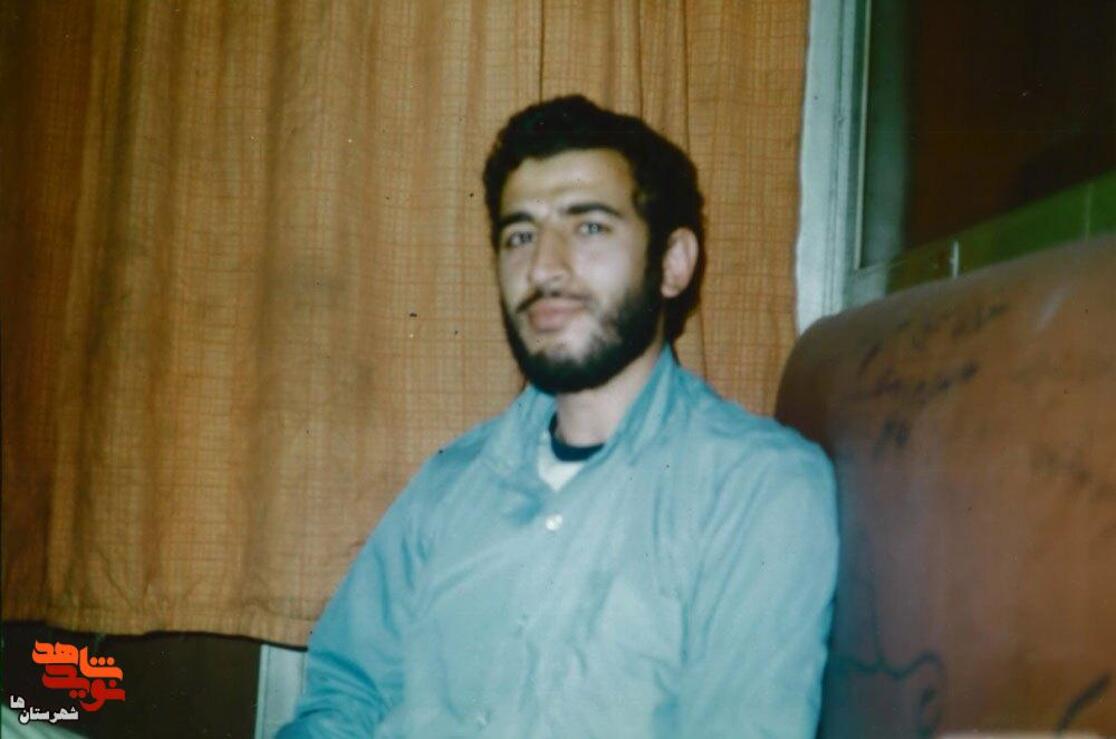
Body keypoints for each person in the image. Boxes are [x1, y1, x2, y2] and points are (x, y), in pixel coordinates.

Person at [279, 95, 837, 738]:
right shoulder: (452, 480)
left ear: (672, 264)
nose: (542, 267)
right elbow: (344, 699)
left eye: (589, 227)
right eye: (520, 235)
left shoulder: (756, 489)